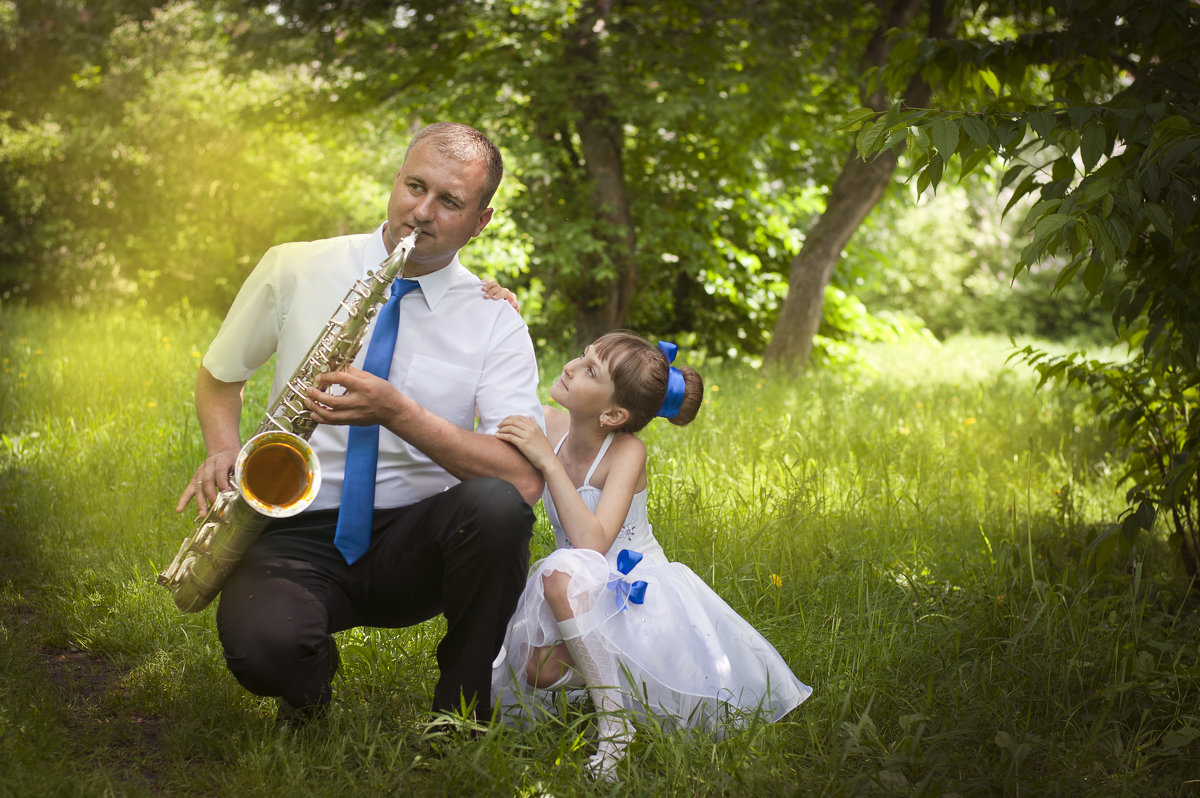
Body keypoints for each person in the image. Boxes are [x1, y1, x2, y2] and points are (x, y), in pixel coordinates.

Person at [174, 122, 545, 726]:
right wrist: (223, 447)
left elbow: (524, 481)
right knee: (263, 649)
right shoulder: (296, 266)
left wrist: (399, 413)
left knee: (497, 509)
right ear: (396, 180)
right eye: (414, 186)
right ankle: (307, 685)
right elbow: (220, 375)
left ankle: (460, 711)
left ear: (481, 221)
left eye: (449, 202)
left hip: (419, 539)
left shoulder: (494, 319)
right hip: (295, 526)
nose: (420, 213)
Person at [490, 331, 811, 780]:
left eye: (589, 371)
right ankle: (618, 683)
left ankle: (614, 728)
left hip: (633, 592)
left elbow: (592, 543)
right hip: (580, 595)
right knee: (535, 669)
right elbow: (493, 388)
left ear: (613, 413)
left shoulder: (626, 450)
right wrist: (503, 311)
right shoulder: (548, 426)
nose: (569, 366)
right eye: (582, 356)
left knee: (559, 575)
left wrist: (547, 462)